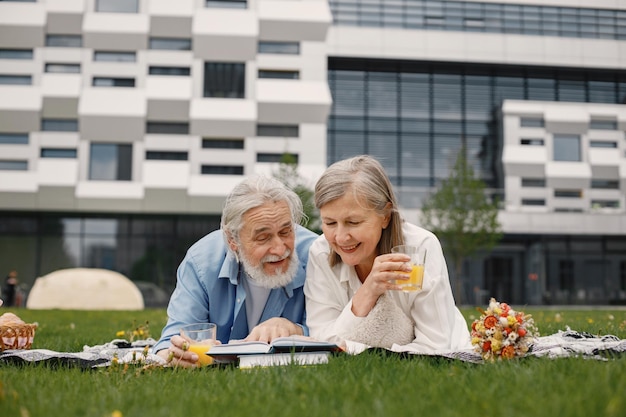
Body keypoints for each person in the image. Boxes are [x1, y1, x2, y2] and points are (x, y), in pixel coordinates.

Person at [304, 155, 472, 354]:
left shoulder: (421, 247)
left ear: (385, 216)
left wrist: (356, 350)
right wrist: (366, 292)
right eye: (330, 223)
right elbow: (323, 340)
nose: (340, 237)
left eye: (354, 222)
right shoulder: (320, 251)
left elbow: (435, 346)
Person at [154, 175, 318, 367]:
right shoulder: (201, 262)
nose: (280, 249)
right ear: (233, 241)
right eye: (263, 237)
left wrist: (295, 330)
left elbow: (338, 331)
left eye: (285, 232)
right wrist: (177, 353)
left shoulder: (317, 255)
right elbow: (170, 342)